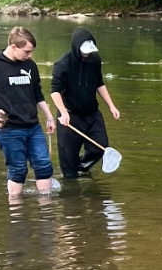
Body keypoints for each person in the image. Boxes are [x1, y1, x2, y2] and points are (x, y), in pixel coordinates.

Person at [0, 26, 58, 198]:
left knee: (44, 165)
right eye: (26, 51)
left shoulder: (30, 65)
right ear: (13, 47)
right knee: (18, 169)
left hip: (33, 126)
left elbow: (37, 94)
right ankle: (17, 214)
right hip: (8, 128)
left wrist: (49, 117)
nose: (30, 56)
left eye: (31, 52)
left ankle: (46, 212)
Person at [51, 28, 121, 178]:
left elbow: (99, 83)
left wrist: (111, 105)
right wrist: (63, 112)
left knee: (100, 146)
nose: (87, 54)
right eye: (84, 52)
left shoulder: (94, 60)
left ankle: (82, 166)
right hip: (70, 116)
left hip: (91, 114)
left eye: (89, 51)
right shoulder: (63, 64)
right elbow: (55, 91)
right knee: (68, 166)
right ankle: (72, 192)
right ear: (76, 47)